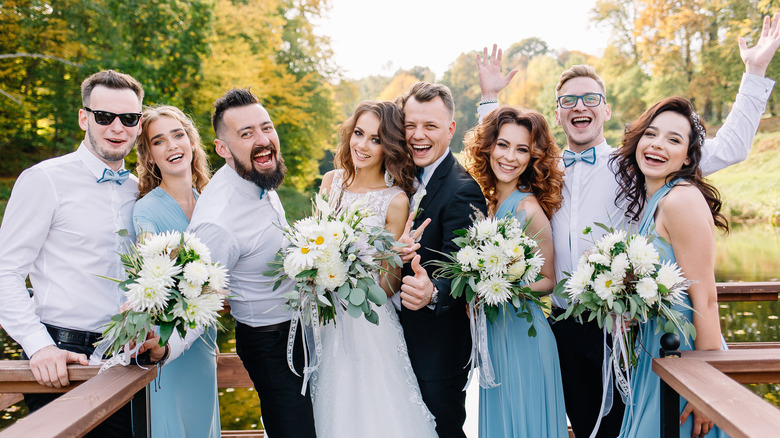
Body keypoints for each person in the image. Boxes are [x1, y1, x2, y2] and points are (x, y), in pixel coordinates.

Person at [476, 13, 780, 434]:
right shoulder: (543, 169)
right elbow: (496, 160)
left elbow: (729, 148)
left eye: (590, 98)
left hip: (621, 328)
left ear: (606, 108)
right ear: (559, 113)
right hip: (562, 325)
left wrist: (755, 73)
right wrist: (489, 98)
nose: (580, 106)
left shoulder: (637, 163)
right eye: (569, 100)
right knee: (584, 427)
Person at [0, 70, 144, 436]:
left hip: (130, 362)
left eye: (128, 118)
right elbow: (6, 272)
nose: (116, 127)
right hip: (64, 362)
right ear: (84, 118)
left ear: (139, 125)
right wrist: (38, 347)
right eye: (104, 116)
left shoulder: (139, 190)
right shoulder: (44, 180)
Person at [186, 88, 316, 437]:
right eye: (246, 134)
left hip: (300, 330)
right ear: (222, 149)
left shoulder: (259, 178)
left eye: (266, 127)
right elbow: (196, 305)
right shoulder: (218, 222)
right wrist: (161, 347)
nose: (263, 140)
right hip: (270, 344)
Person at [310, 100, 437, 437]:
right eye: (359, 133)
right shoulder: (330, 183)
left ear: (389, 147)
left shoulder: (395, 200)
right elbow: (316, 246)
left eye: (375, 139)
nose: (362, 145)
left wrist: (385, 260)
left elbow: (388, 287)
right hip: (326, 318)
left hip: (368, 324)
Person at [612, 97, 728, 438]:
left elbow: (705, 297)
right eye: (651, 134)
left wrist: (706, 384)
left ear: (688, 157)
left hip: (689, 358)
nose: (658, 145)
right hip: (660, 352)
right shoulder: (656, 201)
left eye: (674, 140)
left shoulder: (681, 200)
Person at [463, 106, 568, 437]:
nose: (510, 157)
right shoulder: (491, 203)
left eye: (522, 149)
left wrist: (497, 283)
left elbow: (548, 280)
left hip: (524, 337)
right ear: (489, 147)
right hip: (496, 335)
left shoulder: (528, 208)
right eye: (503, 145)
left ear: (533, 157)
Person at [397, 82, 488, 437]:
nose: (418, 135)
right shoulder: (398, 179)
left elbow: (464, 268)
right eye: (410, 125)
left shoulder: (462, 189)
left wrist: (432, 291)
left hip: (437, 350)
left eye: (430, 126)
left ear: (450, 129)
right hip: (394, 343)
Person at [132, 105, 220, 437]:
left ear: (192, 142)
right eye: (159, 141)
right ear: (150, 155)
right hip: (167, 342)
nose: (172, 146)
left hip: (205, 344)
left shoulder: (210, 201)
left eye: (178, 135)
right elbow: (152, 269)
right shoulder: (146, 209)